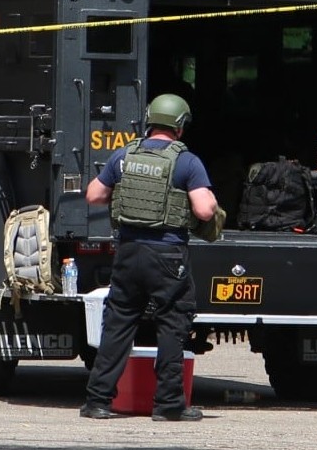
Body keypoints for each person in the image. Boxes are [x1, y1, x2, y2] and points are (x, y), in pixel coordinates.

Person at [80, 93, 222, 423]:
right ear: (180, 126)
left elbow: (94, 195)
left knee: (118, 323)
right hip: (168, 255)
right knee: (172, 324)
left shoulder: (124, 155)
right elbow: (204, 210)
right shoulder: (187, 162)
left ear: (149, 120)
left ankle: (98, 401)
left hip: (129, 252)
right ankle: (169, 404)